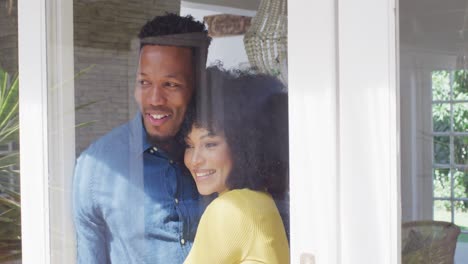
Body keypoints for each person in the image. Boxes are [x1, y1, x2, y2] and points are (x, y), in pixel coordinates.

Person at [72, 14, 211, 264]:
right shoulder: (96, 168)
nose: (154, 99)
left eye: (170, 84)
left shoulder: (222, 156)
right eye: (144, 82)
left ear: (198, 84)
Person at [182, 66, 290, 263]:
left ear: (243, 146)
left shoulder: (228, 209)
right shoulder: (261, 201)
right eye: (189, 145)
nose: (195, 160)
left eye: (210, 144)